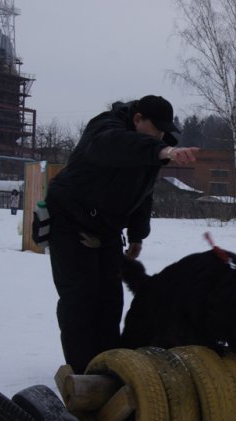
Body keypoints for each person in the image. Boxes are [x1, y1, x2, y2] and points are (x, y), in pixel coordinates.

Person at [45, 95, 199, 373]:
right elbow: (113, 146)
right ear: (137, 119)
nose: (162, 136)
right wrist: (161, 151)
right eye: (157, 128)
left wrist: (138, 234)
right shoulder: (104, 129)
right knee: (80, 299)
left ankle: (108, 365)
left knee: (110, 300)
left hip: (106, 228)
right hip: (68, 221)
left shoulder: (150, 150)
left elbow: (144, 193)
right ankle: (82, 373)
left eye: (166, 131)